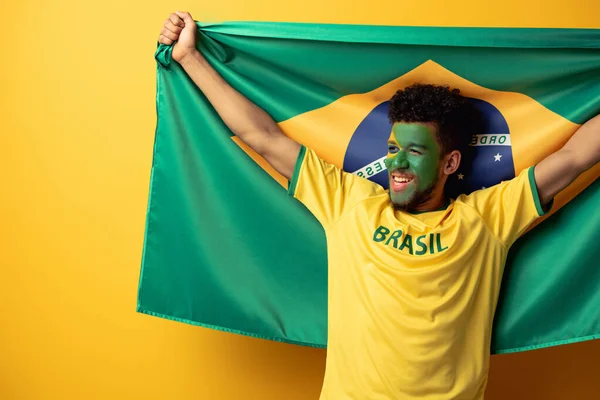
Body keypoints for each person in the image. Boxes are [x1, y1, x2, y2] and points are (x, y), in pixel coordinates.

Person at [158, 12, 600, 400]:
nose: (397, 163)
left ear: (450, 162)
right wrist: (190, 58)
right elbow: (263, 137)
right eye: (392, 148)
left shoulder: (488, 216)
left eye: (415, 152)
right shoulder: (349, 200)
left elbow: (575, 157)